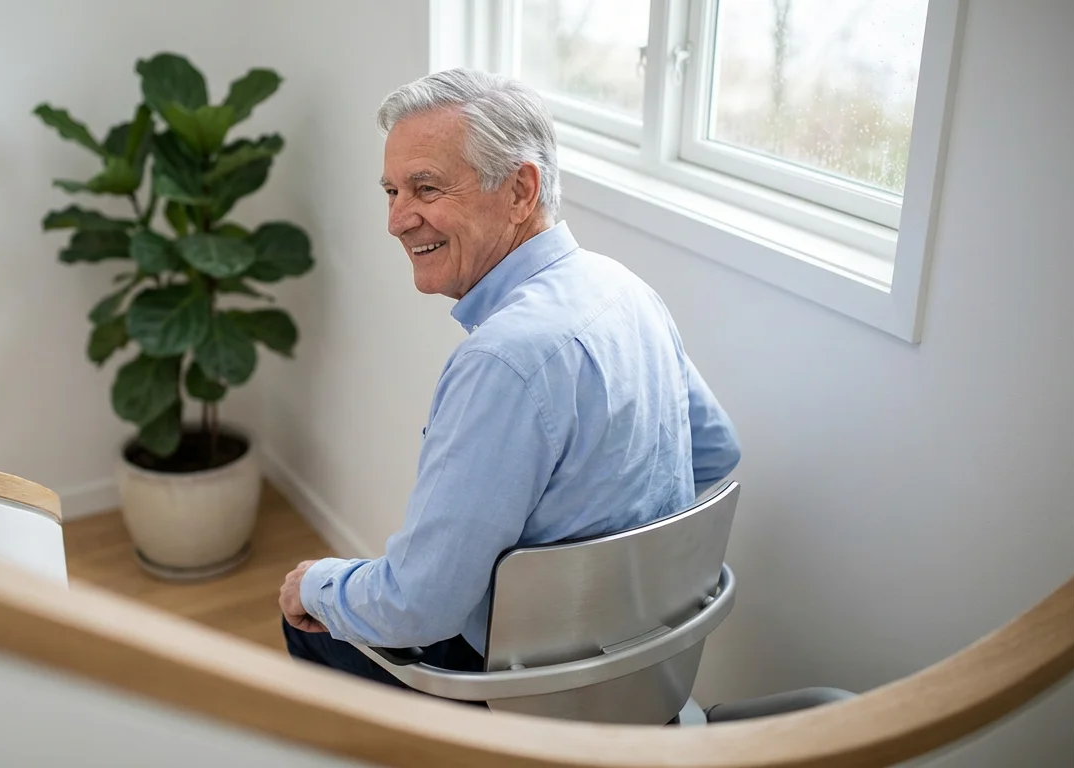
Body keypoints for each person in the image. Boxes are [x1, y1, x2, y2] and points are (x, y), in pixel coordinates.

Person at [279, 68, 741, 692]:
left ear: (521, 190)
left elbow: (420, 606)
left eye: (426, 187)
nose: (397, 219)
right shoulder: (624, 289)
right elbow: (716, 451)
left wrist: (317, 581)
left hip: (523, 691)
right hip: (640, 669)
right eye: (391, 191)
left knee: (307, 616)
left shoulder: (505, 361)